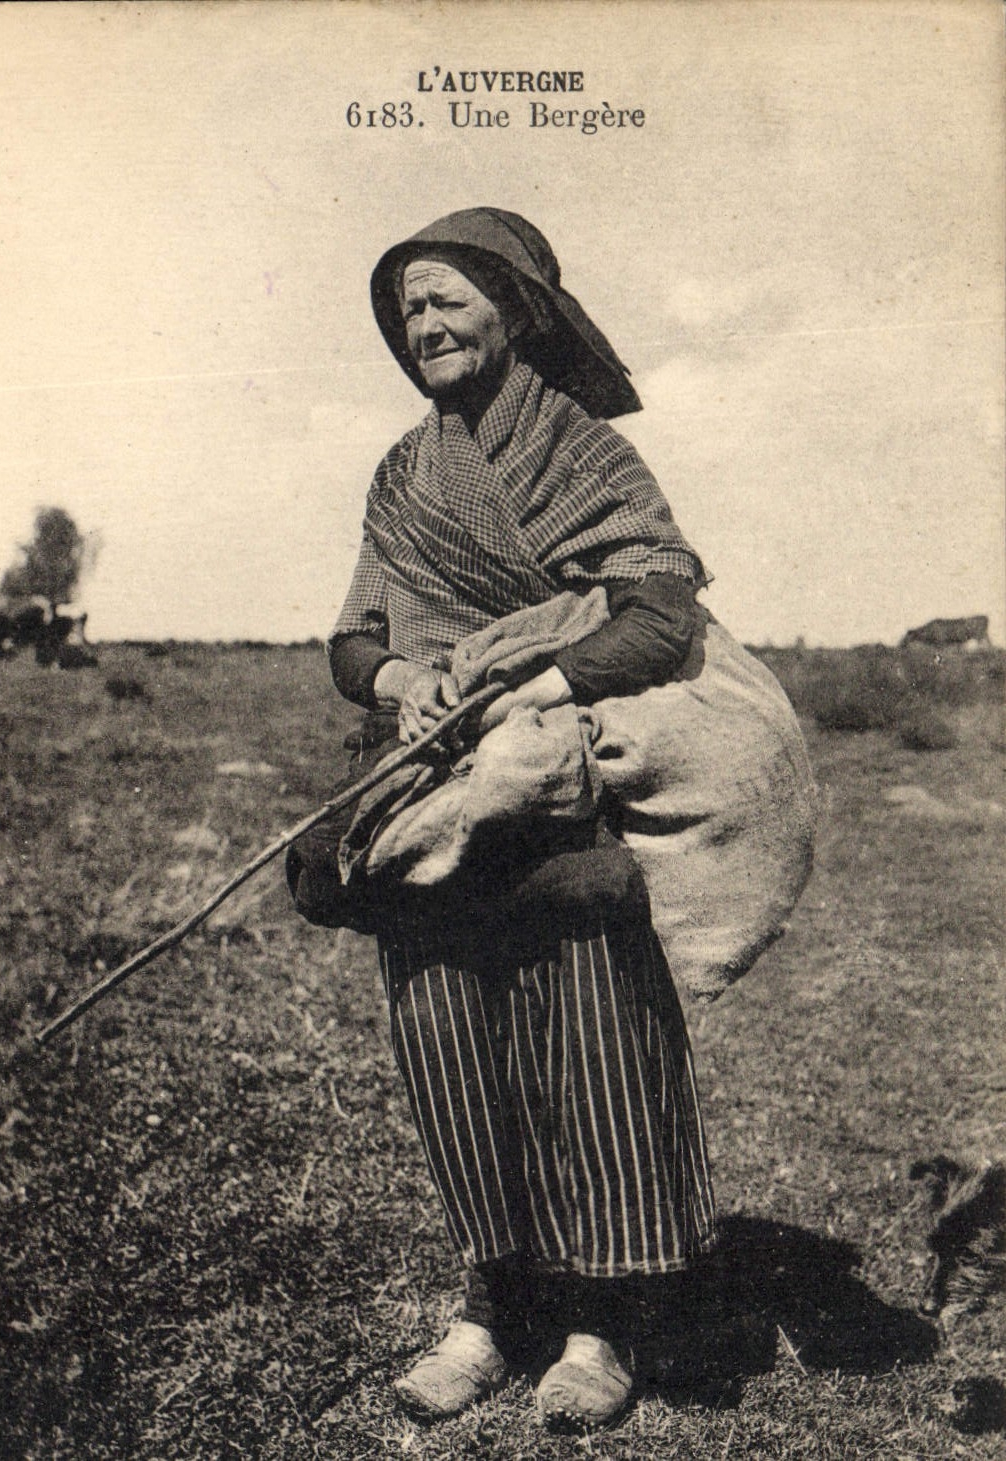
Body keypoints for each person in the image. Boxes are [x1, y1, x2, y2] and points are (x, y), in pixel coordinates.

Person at [307, 208, 718, 1432]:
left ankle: (603, 1326)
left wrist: (530, 680)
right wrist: (400, 681)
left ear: (516, 308)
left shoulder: (587, 457)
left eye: (445, 301)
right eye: (407, 311)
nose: (423, 326)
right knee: (445, 1045)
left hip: (555, 797)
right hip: (433, 796)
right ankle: (490, 1306)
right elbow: (351, 640)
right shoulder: (401, 474)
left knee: (587, 1052)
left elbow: (661, 620)